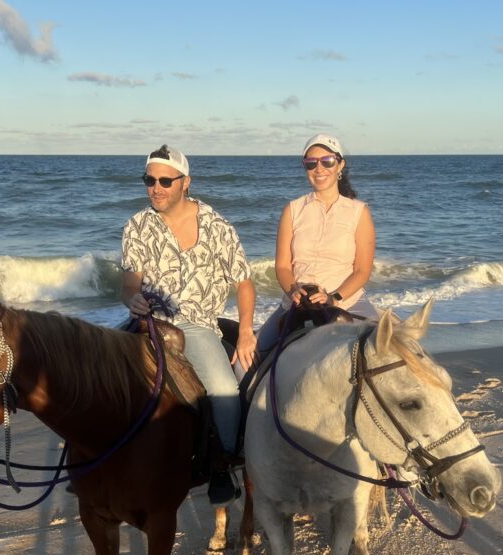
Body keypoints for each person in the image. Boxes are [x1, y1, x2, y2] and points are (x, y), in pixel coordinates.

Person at [120, 144, 256, 503]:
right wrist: (131, 297)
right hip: (148, 321)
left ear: (186, 182)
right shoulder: (137, 225)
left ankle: (222, 465)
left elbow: (244, 282)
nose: (156, 187)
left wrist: (244, 332)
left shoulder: (218, 227)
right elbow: (131, 281)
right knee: (90, 371)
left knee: (225, 390)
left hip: (195, 324)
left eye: (165, 180)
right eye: (149, 180)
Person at [256, 133, 377, 352]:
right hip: (297, 304)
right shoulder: (292, 210)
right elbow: (283, 266)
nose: (319, 169)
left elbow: (362, 270)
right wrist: (292, 290)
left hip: (348, 301)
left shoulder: (359, 212)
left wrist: (334, 297)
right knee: (248, 361)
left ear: (340, 165)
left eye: (327, 161)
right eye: (311, 163)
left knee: (384, 352)